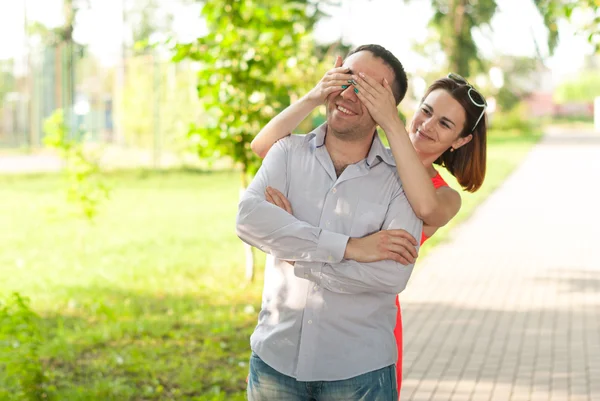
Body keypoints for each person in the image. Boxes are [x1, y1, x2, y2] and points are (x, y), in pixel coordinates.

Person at [250, 58, 488, 398]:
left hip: (361, 328)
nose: (427, 125)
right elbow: (264, 147)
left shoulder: (442, 195)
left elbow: (423, 207)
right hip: (293, 329)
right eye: (426, 110)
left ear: (460, 141)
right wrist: (319, 95)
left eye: (445, 123)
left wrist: (291, 243)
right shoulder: (366, 153)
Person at [236, 44, 422, 400]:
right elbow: (247, 219)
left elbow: (390, 274)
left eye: (369, 89)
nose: (350, 93)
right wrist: (349, 248)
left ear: (388, 110)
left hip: (359, 373)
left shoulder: (401, 181)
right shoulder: (287, 152)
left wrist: (293, 250)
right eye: (347, 77)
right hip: (275, 361)